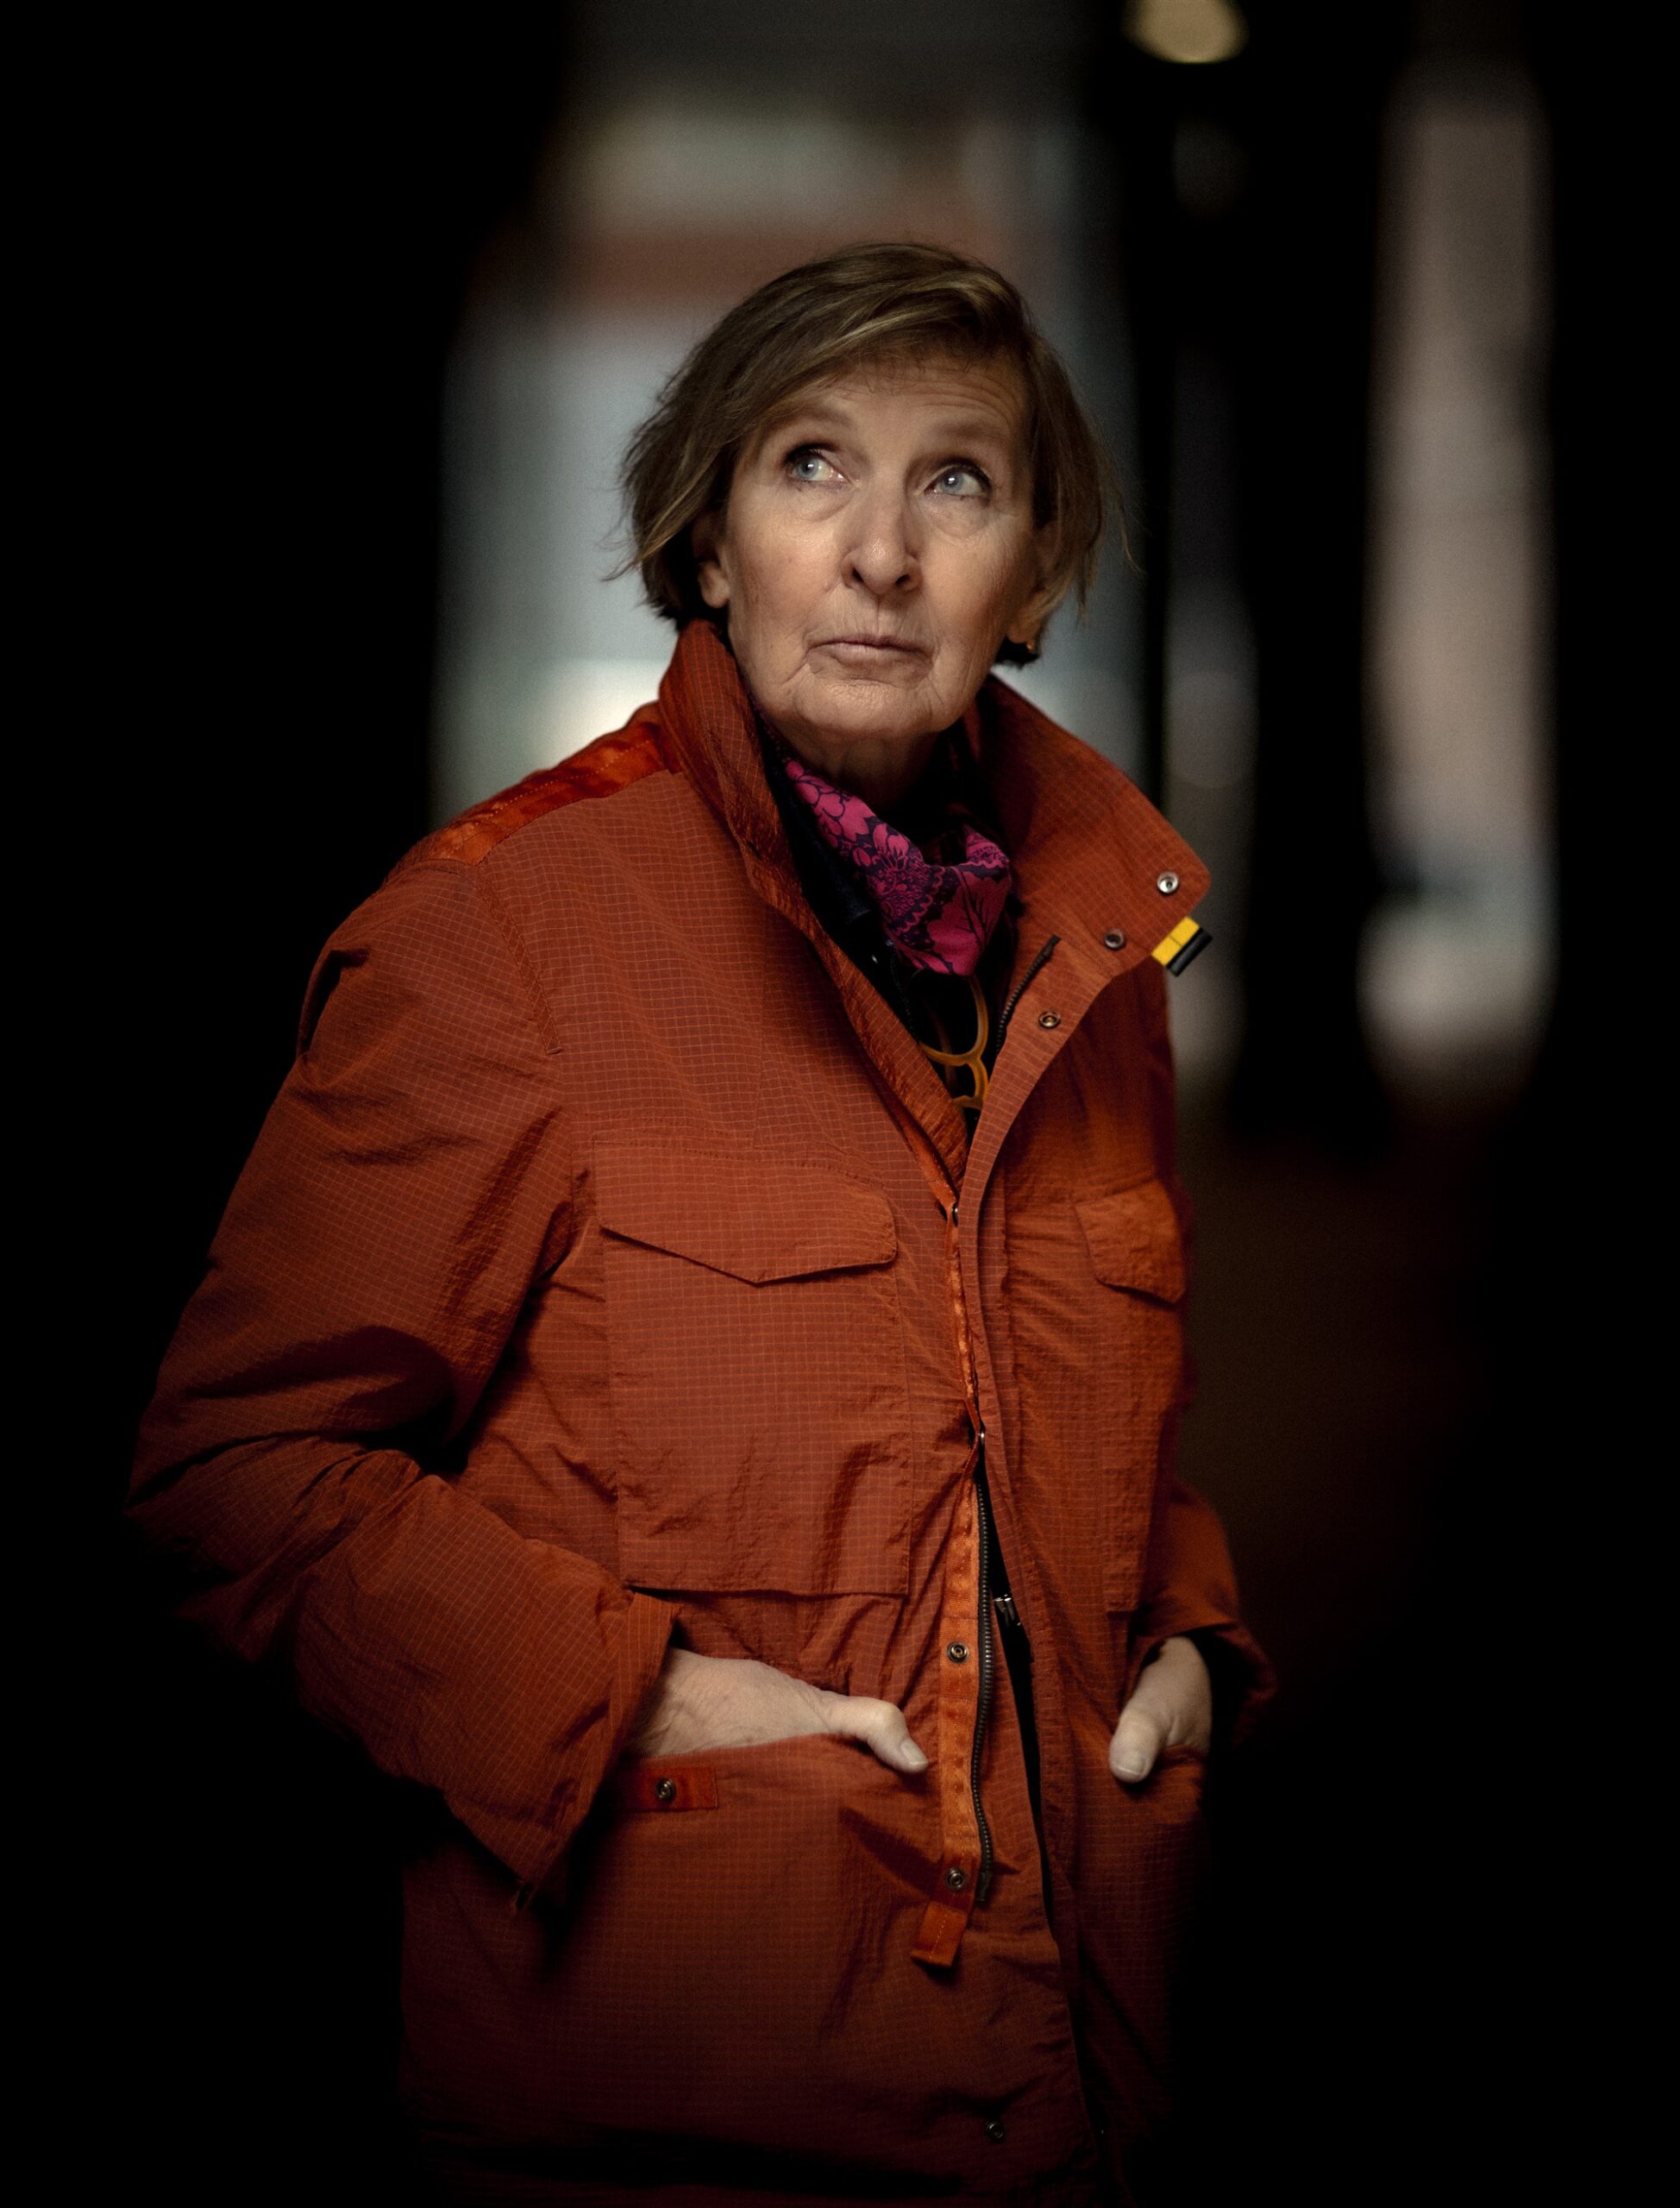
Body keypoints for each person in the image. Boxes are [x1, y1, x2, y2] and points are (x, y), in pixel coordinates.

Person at [130, 242, 1272, 2205]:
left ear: (1033, 574)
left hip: (1084, 2079)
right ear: (710, 541)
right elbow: (234, 1470)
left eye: (957, 481)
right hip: (683, 2096)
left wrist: (1184, 1630)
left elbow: (1074, 1403)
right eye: (811, 464)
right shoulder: (501, 933)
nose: (881, 554)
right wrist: (622, 1695)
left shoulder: (1099, 952)